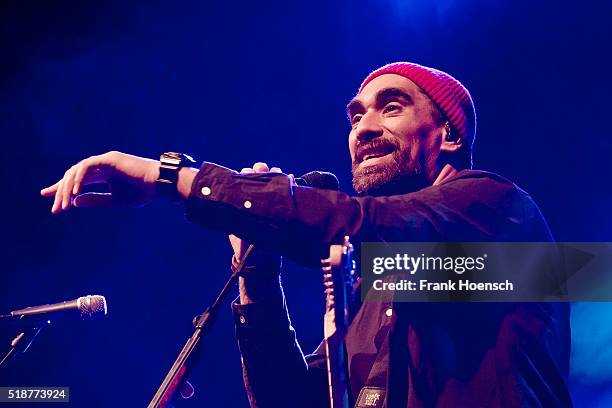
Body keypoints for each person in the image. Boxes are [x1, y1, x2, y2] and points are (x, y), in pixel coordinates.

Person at [41, 62, 571, 407]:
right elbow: (289, 400)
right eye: (356, 115)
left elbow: (358, 223)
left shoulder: (495, 208)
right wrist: (258, 274)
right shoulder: (382, 281)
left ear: (450, 134)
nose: (363, 128)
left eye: (391, 107)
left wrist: (169, 177)